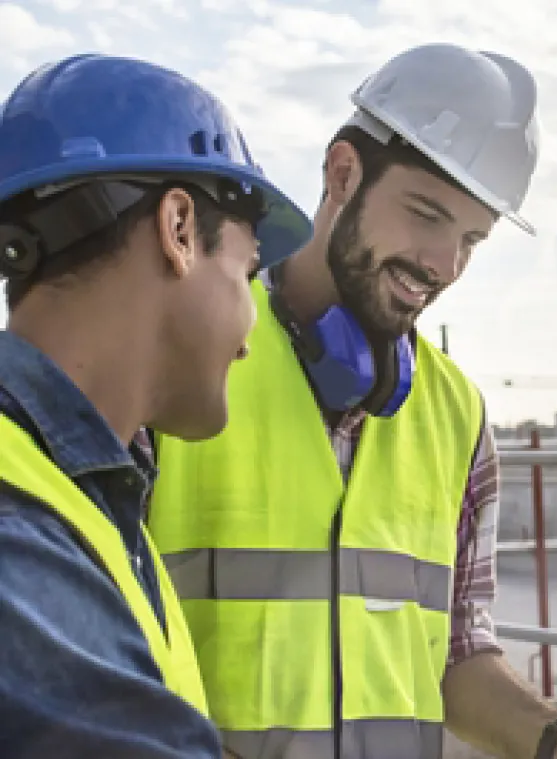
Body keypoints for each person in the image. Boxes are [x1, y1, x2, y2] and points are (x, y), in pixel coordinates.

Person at [145, 43, 557, 759]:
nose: (443, 264)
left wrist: (555, 737)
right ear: (340, 173)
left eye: (471, 240)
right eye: (426, 214)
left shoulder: (456, 415)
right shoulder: (182, 358)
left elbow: (455, 652)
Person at [0, 54, 311, 758]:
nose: (251, 326)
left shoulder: (87, 497)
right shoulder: (18, 530)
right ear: (177, 229)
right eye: (248, 271)